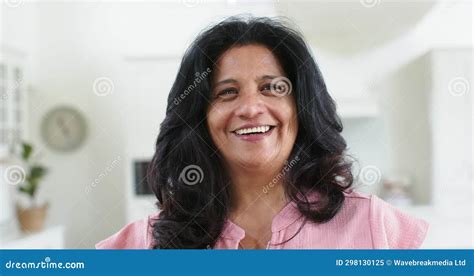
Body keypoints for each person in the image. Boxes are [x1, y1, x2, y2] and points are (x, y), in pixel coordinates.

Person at [96, 16, 428, 249]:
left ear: (301, 107)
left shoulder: (375, 226)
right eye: (227, 92)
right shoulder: (142, 244)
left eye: (272, 88)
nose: (251, 107)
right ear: (200, 117)